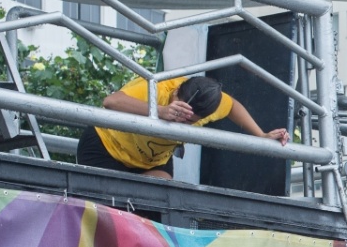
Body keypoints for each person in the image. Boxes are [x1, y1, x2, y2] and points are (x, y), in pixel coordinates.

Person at [77, 75, 288, 178]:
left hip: (151, 163)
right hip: (106, 147)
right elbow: (111, 101)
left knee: (160, 203)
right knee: (108, 209)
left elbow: (233, 106)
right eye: (180, 110)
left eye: (190, 120)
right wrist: (159, 111)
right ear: (176, 91)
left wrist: (261, 135)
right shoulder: (156, 87)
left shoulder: (212, 103)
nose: (181, 119)